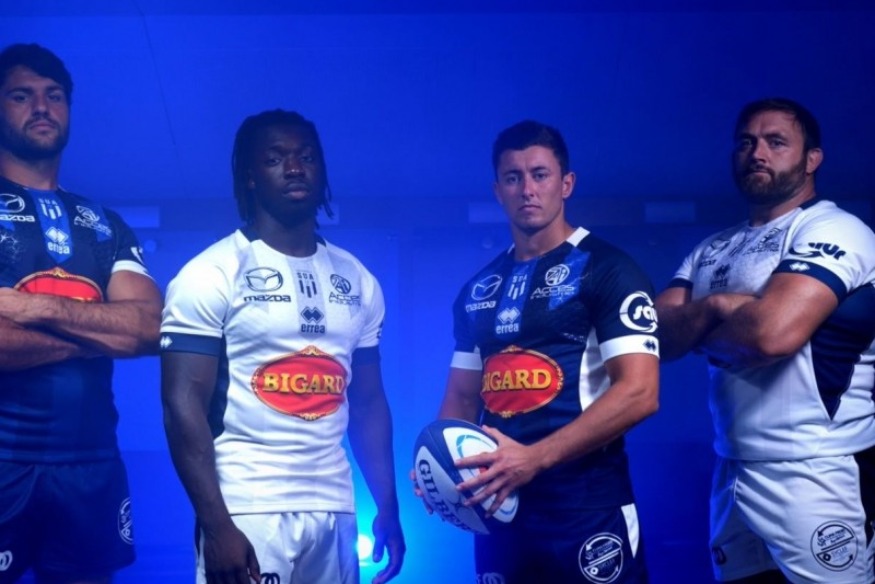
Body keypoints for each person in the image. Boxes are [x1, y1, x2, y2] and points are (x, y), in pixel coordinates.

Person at [160, 109, 405, 584]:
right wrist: (217, 525)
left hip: (335, 506)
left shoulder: (358, 279)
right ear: (250, 176)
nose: (294, 168)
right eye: (275, 159)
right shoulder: (211, 272)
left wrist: (388, 507)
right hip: (248, 508)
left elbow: (369, 403)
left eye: (306, 157)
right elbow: (180, 404)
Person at [654, 98, 875, 583]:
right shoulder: (711, 249)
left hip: (818, 469)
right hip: (732, 468)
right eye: (746, 142)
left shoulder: (835, 229)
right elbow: (654, 339)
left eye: (776, 142)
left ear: (812, 158)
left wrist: (702, 321)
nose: (757, 153)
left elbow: (771, 335)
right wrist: (719, 307)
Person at [432, 120, 660, 583]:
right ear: (498, 191)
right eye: (513, 178)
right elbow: (461, 398)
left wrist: (533, 459)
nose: (527, 190)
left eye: (540, 175)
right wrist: (437, 463)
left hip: (587, 509)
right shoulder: (478, 289)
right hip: (501, 510)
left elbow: (640, 393)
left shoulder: (609, 269)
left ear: (566, 183)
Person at [0, 43, 162, 584]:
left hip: (92, 467)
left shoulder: (104, 223)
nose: (41, 107)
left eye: (54, 96)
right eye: (21, 96)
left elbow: (149, 328)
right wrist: (97, 328)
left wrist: (33, 308)